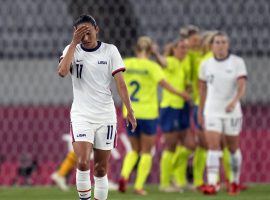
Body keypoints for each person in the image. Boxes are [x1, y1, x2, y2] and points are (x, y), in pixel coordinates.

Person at [57, 14, 136, 200]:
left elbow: (121, 84)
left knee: (101, 169)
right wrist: (74, 44)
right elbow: (61, 72)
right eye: (80, 33)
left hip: (105, 116)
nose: (85, 37)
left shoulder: (110, 51)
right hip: (82, 115)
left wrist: (130, 110)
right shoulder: (71, 49)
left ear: (97, 29)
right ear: (75, 33)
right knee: (83, 162)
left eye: (88, 32)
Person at [118, 36, 190, 195]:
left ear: (136, 49)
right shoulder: (152, 67)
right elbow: (165, 85)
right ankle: (138, 186)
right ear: (150, 51)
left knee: (134, 149)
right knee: (146, 151)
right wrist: (181, 93)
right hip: (148, 113)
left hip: (129, 112)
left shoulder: (126, 63)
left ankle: (124, 176)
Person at [198, 32, 247, 195]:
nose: (220, 45)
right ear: (212, 45)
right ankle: (213, 183)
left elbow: (241, 86)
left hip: (232, 112)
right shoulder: (205, 64)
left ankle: (234, 181)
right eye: (217, 42)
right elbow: (202, 90)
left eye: (223, 42)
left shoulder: (237, 62)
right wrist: (200, 111)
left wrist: (234, 102)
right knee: (213, 146)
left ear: (228, 44)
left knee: (233, 148)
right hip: (212, 110)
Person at [152, 38, 193, 192]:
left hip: (182, 107)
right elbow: (162, 62)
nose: (184, 50)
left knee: (189, 145)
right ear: (174, 49)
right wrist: (155, 53)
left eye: (186, 48)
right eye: (181, 47)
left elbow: (185, 82)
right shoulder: (171, 61)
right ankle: (165, 183)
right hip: (170, 108)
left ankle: (176, 176)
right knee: (171, 146)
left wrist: (188, 89)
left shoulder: (185, 63)